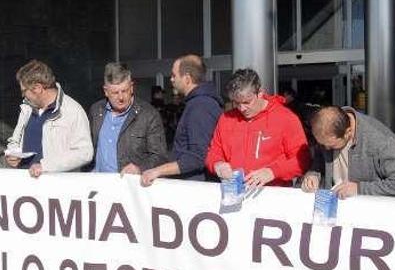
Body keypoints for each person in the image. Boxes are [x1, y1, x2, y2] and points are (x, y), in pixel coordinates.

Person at [205, 69, 310, 189]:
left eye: (247, 102)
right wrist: (217, 165)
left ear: (260, 93)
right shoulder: (226, 119)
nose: (242, 108)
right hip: (235, 191)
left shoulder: (286, 118)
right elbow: (213, 152)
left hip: (272, 194)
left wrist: (272, 172)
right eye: (237, 103)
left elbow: (302, 159)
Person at [141, 55, 222, 186]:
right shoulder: (196, 103)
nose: (171, 79)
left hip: (196, 187)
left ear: (187, 79)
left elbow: (198, 157)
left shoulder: (201, 106)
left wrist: (158, 171)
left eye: (174, 75)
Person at [302, 106, 395, 198]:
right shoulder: (328, 129)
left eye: (331, 146)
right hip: (332, 207)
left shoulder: (381, 141)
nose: (326, 148)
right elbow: (319, 161)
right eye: (322, 144)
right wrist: (313, 175)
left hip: (368, 215)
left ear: (348, 132)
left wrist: (358, 188)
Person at [5, 60, 92, 177]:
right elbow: (16, 140)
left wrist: (46, 166)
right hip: (25, 185)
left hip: (55, 189)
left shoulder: (72, 110)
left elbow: (84, 153)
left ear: (37, 88)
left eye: (24, 91)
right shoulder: (27, 108)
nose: (23, 96)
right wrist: (12, 154)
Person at [89, 62, 167, 174]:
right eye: (115, 92)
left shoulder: (149, 115)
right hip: (99, 184)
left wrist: (140, 168)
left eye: (124, 91)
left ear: (131, 87)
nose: (121, 97)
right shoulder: (96, 111)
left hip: (130, 186)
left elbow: (160, 156)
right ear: (106, 91)